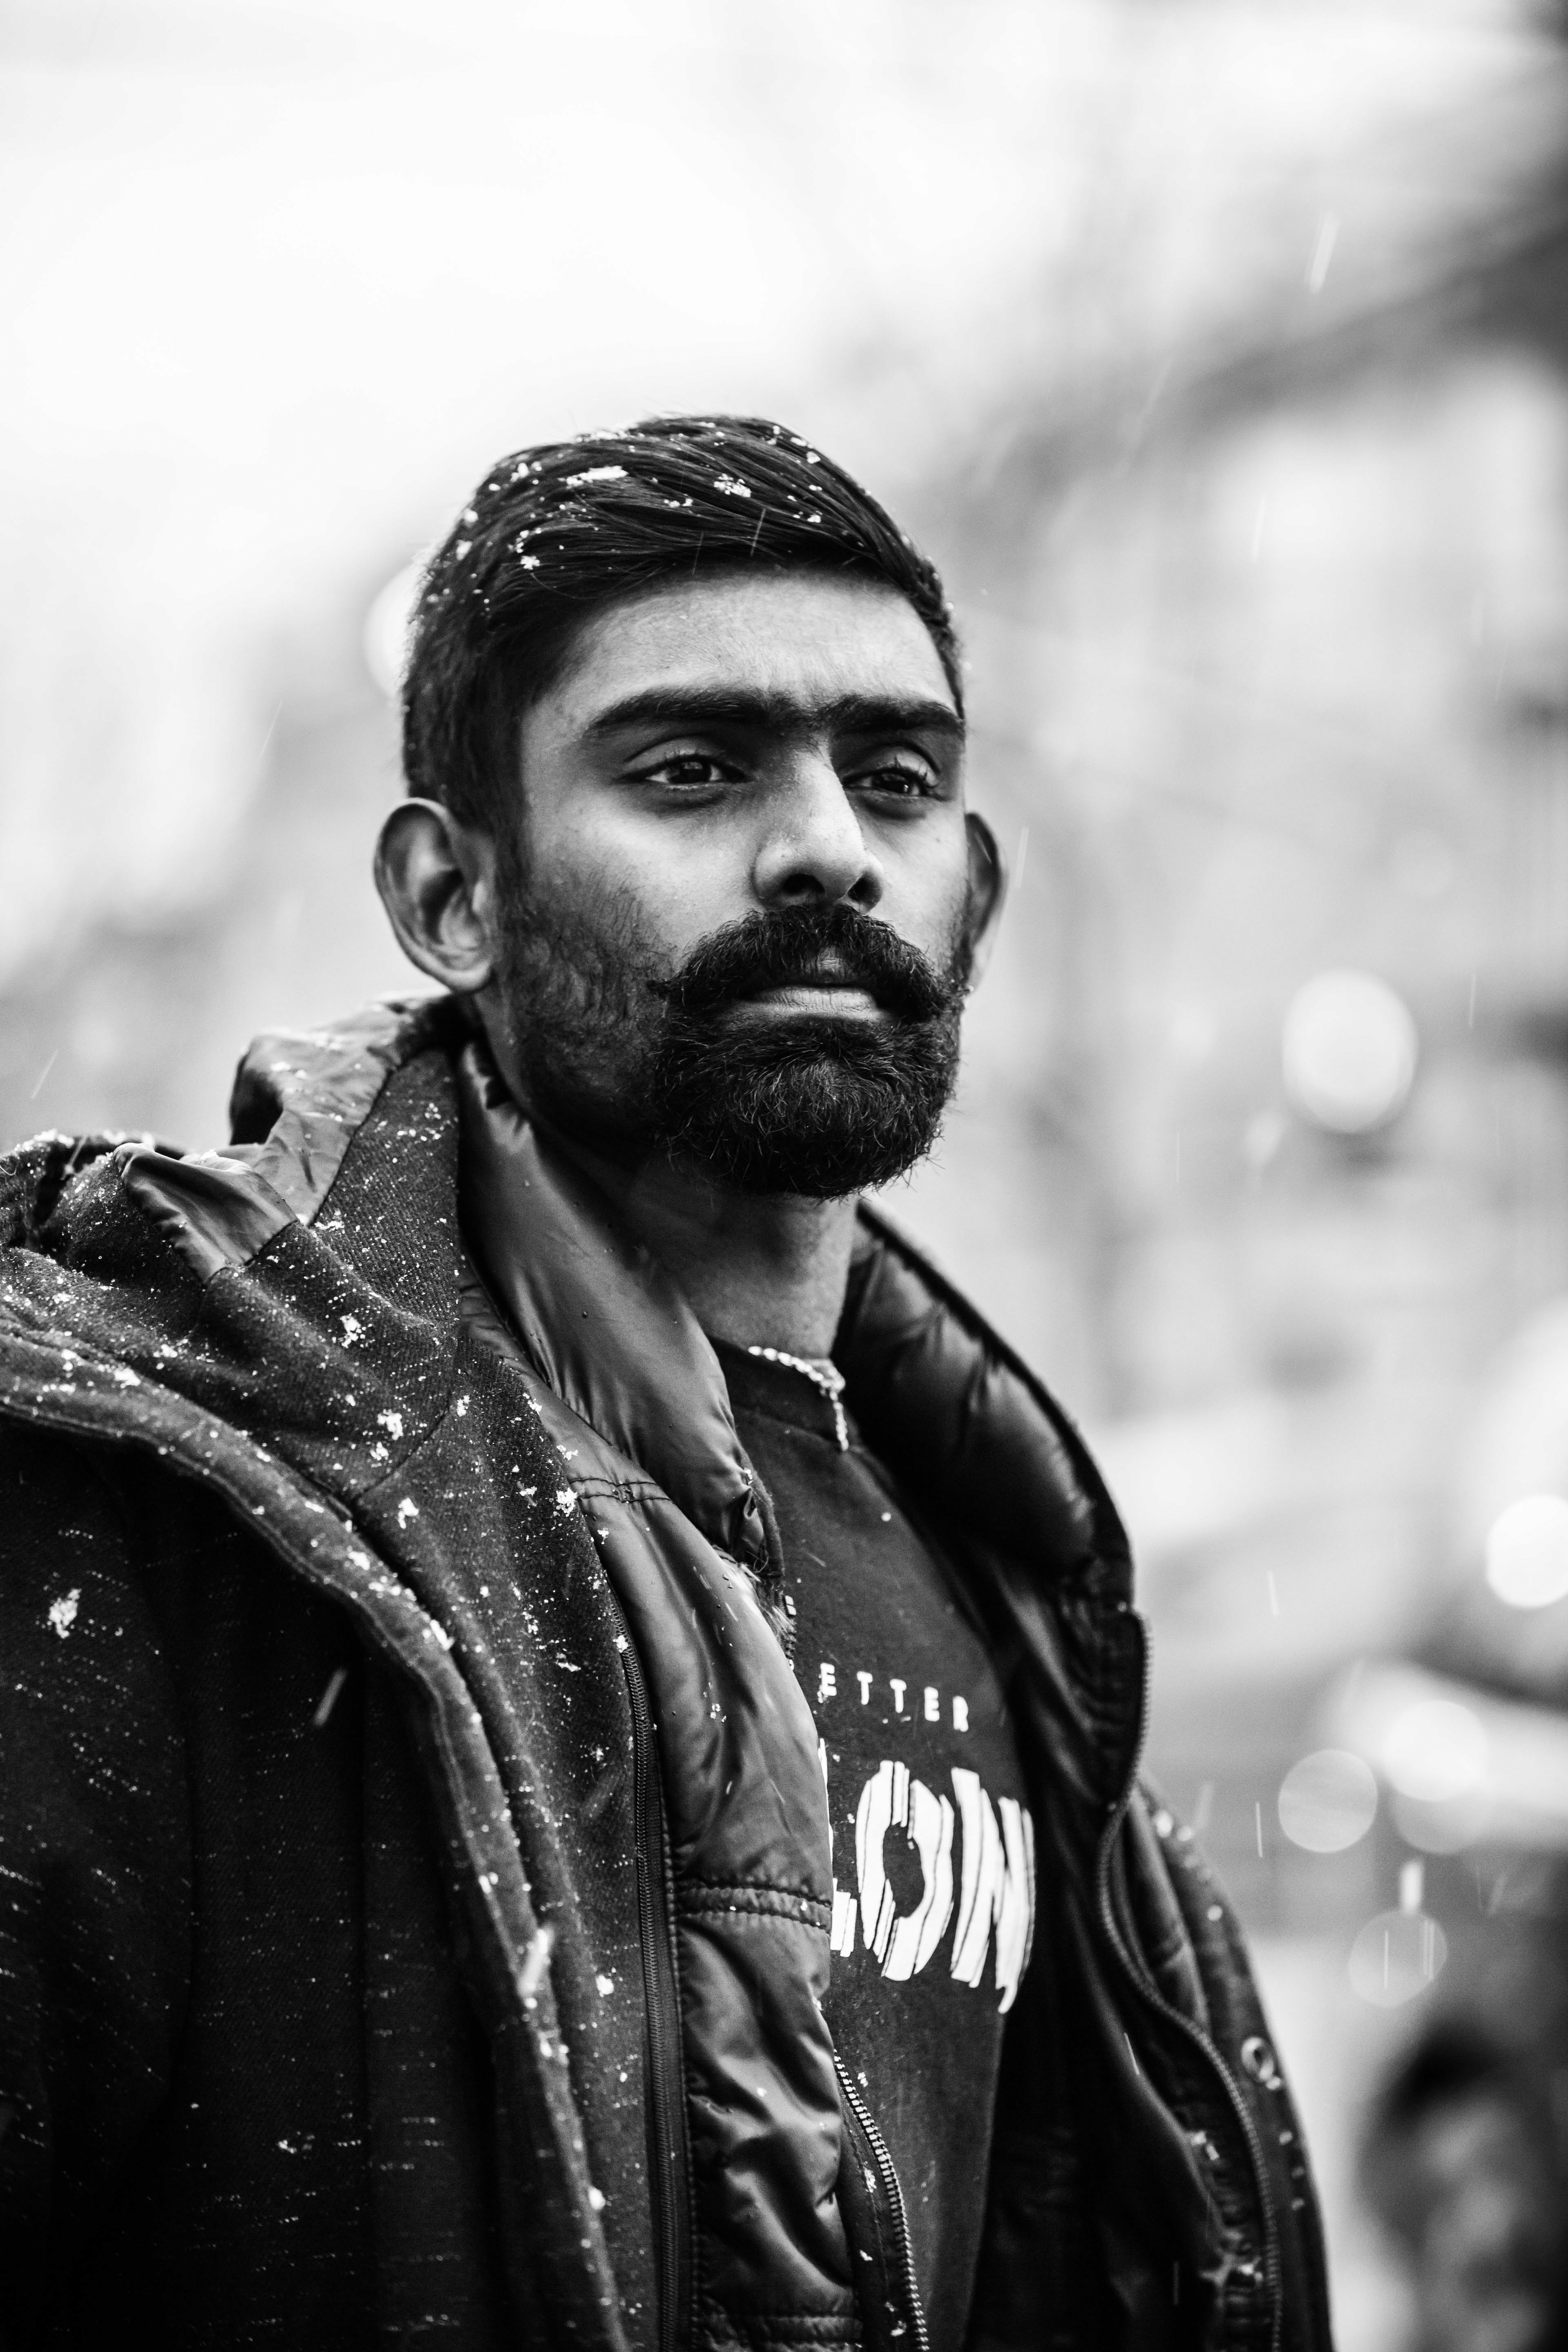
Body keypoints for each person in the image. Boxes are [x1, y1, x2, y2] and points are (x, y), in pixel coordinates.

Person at [0, 416, 1330, 2351]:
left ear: (979, 889)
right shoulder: (177, 1517)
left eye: (896, 775)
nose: (823, 848)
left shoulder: (1030, 1590)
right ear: (452, 896)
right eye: (693, 770)